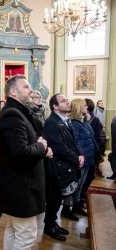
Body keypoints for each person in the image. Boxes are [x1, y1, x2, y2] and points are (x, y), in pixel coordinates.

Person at [0, 74, 52, 249]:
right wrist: (41, 147)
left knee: (13, 230)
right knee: (26, 236)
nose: (31, 90)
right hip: (21, 187)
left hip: (21, 185)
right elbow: (21, 153)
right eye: (26, 87)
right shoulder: (12, 115)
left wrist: (41, 148)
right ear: (13, 91)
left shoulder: (20, 112)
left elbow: (31, 142)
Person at [43, 94, 84, 241]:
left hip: (67, 165)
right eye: (63, 101)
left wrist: (81, 155)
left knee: (58, 197)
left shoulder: (65, 121)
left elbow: (74, 141)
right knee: (54, 198)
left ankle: (53, 223)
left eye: (67, 100)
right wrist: (75, 158)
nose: (68, 102)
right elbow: (59, 147)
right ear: (55, 106)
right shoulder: (51, 122)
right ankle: (49, 226)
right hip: (57, 167)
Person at [61, 98, 96, 218]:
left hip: (88, 158)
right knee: (75, 185)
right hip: (81, 159)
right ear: (78, 108)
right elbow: (74, 143)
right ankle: (66, 209)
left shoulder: (83, 121)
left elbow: (90, 138)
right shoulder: (75, 124)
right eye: (84, 106)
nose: (87, 108)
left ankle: (76, 206)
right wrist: (79, 158)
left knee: (80, 185)